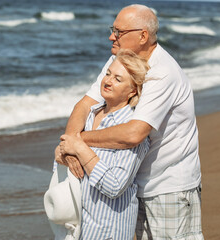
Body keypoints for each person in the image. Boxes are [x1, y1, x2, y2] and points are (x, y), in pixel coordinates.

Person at [57, 4, 204, 240]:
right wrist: (69, 147)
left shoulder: (162, 71)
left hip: (168, 186)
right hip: (135, 185)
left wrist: (76, 141)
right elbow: (84, 105)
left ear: (143, 36)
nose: (111, 36)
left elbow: (134, 134)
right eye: (112, 29)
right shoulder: (119, 62)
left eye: (119, 32)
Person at [56, 50, 150, 240]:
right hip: (78, 228)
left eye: (117, 79)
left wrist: (80, 148)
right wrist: (62, 153)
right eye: (107, 74)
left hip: (108, 230)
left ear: (132, 90)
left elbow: (114, 185)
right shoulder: (90, 115)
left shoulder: (130, 127)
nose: (107, 81)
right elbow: (63, 153)